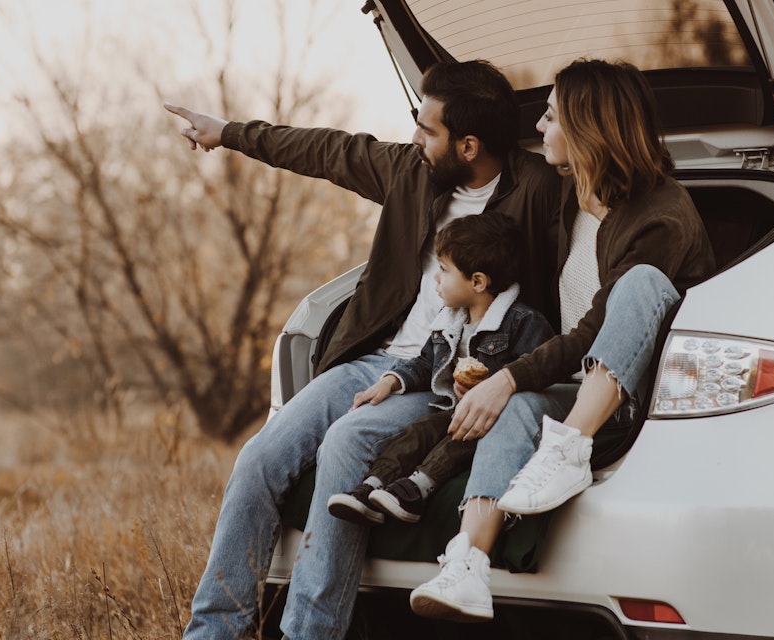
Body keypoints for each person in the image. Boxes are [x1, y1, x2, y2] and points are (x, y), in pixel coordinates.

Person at [165, 60, 562, 640]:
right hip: (374, 361)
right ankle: (213, 631)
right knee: (258, 460)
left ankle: (310, 632)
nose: (415, 137)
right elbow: (327, 150)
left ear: (469, 145)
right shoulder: (412, 172)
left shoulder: (538, 192)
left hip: (444, 379)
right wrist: (227, 132)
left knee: (347, 443)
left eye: (428, 130)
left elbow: (570, 279)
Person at [408, 58, 717, 623]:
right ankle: (468, 563)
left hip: (631, 402)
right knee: (518, 407)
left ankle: (567, 450)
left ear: (587, 128)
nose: (541, 129)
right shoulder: (570, 200)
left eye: (550, 117)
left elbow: (596, 328)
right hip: (571, 390)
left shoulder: (662, 217)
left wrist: (508, 375)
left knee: (640, 284)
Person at [327, 213, 554, 526]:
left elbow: (536, 375)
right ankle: (371, 487)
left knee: (457, 440)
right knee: (418, 432)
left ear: (477, 281)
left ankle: (417, 489)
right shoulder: (450, 322)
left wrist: (490, 387)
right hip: (456, 411)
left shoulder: (522, 322)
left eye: (444, 271)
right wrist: (391, 381)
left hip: (492, 421)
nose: (435, 279)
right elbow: (424, 363)